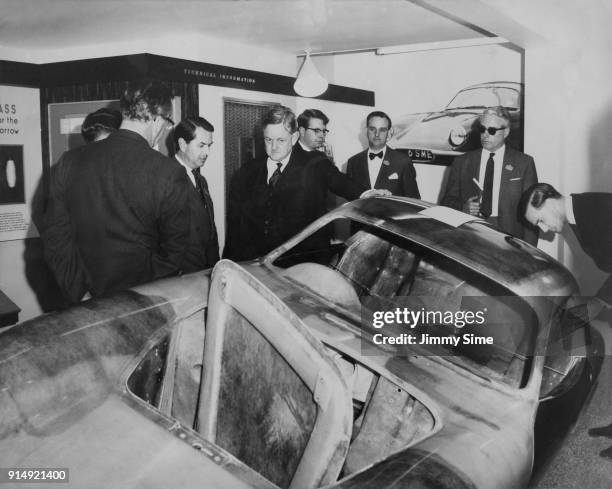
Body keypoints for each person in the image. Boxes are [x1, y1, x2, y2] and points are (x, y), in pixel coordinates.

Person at [41, 79, 190, 304]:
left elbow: (56, 238)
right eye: (167, 124)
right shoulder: (169, 172)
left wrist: (80, 293)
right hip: (141, 307)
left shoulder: (69, 162)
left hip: (84, 305)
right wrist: (137, 300)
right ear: (157, 119)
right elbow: (175, 253)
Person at [224, 106, 382, 261]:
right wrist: (228, 264)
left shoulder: (315, 163)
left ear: (293, 138)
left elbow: (339, 181)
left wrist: (366, 193)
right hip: (257, 263)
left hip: (300, 264)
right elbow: (235, 227)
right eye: (268, 139)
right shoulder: (246, 173)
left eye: (281, 140)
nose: (273, 147)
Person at [440, 106, 538, 245]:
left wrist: (531, 252)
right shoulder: (462, 162)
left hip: (510, 239)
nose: (485, 135)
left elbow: (533, 211)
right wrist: (463, 208)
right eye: (482, 129)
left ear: (506, 132)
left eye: (491, 130)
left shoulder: (524, 163)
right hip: (470, 235)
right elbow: (446, 202)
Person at [523, 183, 612, 309]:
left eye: (540, 220)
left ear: (550, 203)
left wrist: (598, 302)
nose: (544, 230)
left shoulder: (595, 208)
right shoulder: (579, 212)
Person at [172, 116, 219, 272]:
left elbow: (209, 230)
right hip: (181, 276)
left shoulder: (201, 180)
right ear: (182, 144)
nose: (207, 152)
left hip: (205, 270)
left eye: (209, 146)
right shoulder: (165, 178)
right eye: (201, 145)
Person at [346, 111, 420, 198]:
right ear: (366, 131)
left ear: (389, 133)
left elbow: (413, 200)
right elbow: (350, 200)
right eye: (372, 129)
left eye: (382, 130)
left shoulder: (403, 162)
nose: (377, 134)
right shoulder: (353, 162)